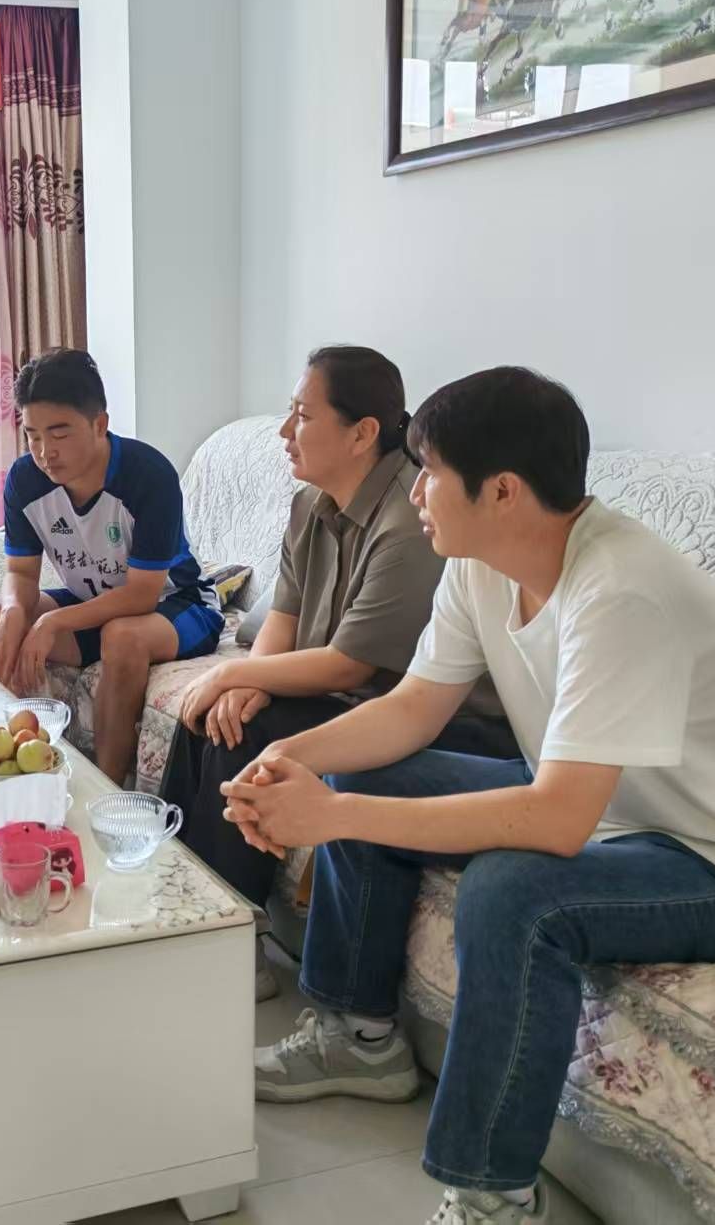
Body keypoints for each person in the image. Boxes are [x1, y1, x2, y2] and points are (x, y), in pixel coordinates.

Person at [222, 368, 715, 1225]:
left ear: (502, 490)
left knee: (513, 891)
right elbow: (412, 710)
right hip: (627, 813)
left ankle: (494, 1194)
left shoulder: (620, 588)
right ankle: (360, 1037)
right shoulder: (481, 565)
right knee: (366, 771)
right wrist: (285, 757)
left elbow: (558, 821)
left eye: (429, 473)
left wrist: (331, 818)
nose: (413, 493)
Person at [159, 347, 514, 1001]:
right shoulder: (310, 506)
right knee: (208, 715)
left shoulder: (410, 521)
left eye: (302, 416)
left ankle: (231, 942)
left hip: (431, 720)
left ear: (362, 433)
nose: (284, 431)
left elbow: (352, 662)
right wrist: (249, 677)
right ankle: (182, 907)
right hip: (353, 697)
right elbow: (284, 620)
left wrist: (234, 680)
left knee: (248, 725)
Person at [0, 349, 224, 784]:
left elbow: (142, 595)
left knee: (122, 636)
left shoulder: (148, 475)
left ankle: (104, 790)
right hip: (95, 603)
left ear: (99, 424)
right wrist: (14, 611)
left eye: (60, 433)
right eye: (32, 435)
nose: (45, 452)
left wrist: (52, 621)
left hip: (176, 604)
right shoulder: (25, 480)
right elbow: (21, 574)